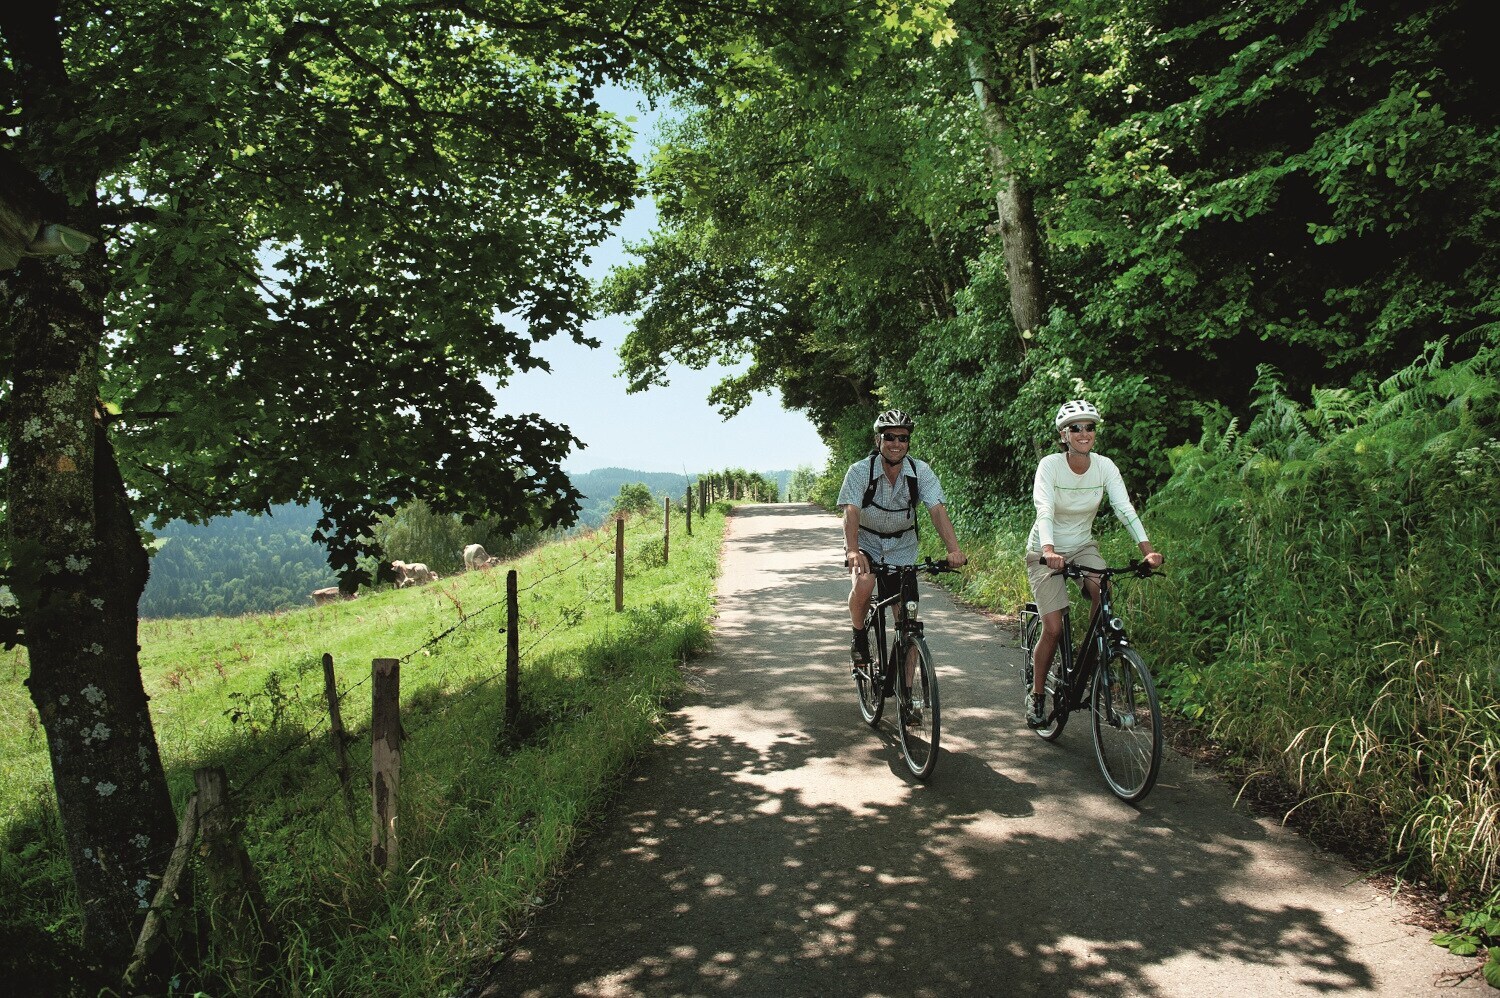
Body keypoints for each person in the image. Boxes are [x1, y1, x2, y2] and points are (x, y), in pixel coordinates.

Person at [1024, 399, 1163, 727]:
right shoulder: (1050, 466)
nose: (1084, 433)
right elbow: (1044, 508)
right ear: (1064, 435)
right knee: (1054, 628)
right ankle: (1038, 694)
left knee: (1104, 593)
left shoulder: (1105, 467)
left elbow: (1124, 508)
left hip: (1083, 545)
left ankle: (1093, 658)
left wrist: (1148, 550)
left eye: (1089, 427)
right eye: (1076, 428)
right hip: (1046, 551)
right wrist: (1048, 549)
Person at [838, 409, 967, 681]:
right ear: (878, 441)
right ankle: (859, 636)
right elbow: (851, 512)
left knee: (907, 621)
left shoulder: (920, 471)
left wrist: (954, 549)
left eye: (903, 438)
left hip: (902, 544)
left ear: (908, 443)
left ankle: (908, 695)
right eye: (890, 437)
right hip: (867, 541)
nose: (896, 443)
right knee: (864, 582)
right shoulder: (860, 471)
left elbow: (937, 510)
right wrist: (852, 550)